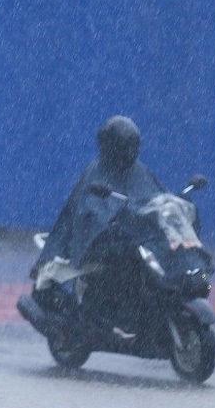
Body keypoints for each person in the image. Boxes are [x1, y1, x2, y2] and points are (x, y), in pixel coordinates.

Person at [32, 115, 165, 283]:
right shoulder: (94, 173)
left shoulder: (140, 172)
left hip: (138, 238)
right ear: (113, 146)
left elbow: (158, 196)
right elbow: (87, 212)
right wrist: (109, 223)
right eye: (127, 146)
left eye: (134, 146)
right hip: (100, 248)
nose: (132, 151)